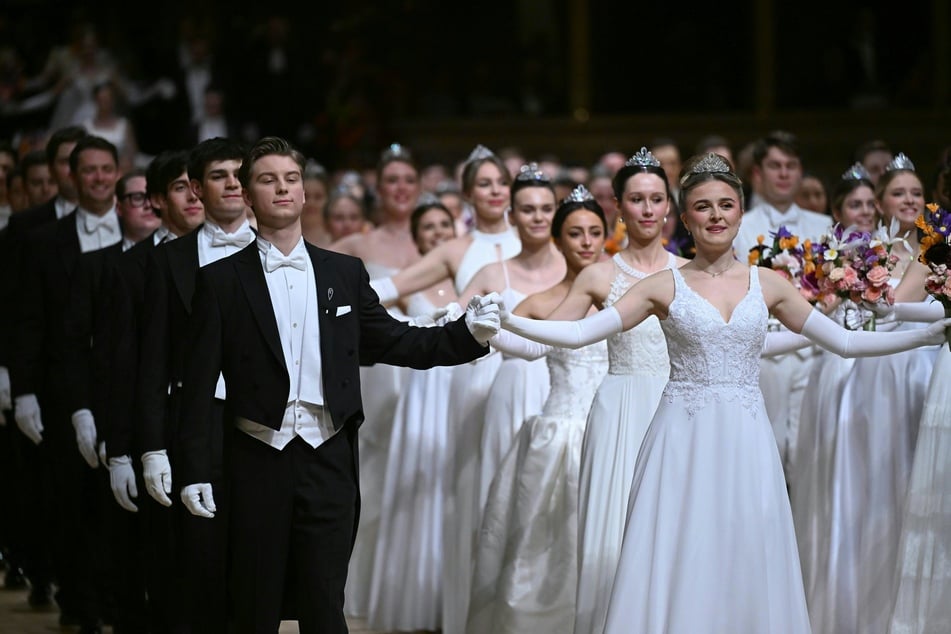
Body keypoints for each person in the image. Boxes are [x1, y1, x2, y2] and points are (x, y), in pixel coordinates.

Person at [496, 152, 950, 633]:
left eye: (727, 205)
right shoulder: (661, 286)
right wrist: (503, 319)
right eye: (703, 206)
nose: (716, 215)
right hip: (681, 437)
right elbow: (579, 334)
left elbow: (844, 341)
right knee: (680, 546)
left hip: (747, 436)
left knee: (746, 542)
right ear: (685, 217)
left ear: (739, 211)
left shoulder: (769, 283)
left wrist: (929, 334)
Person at [175, 136, 501, 634]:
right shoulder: (220, 280)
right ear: (246, 194)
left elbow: (395, 342)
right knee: (252, 603)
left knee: (326, 602)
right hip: (255, 458)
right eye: (267, 179)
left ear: (305, 193)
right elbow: (197, 386)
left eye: (291, 179)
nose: (282, 188)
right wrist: (194, 469)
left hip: (329, 457)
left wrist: (467, 335)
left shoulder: (343, 273)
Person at [467, 186, 609, 634]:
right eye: (575, 233)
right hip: (559, 433)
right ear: (558, 239)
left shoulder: (629, 298)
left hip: (613, 428)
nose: (586, 242)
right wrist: (483, 328)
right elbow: (520, 346)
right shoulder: (545, 302)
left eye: (594, 232)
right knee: (546, 548)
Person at [816, 152, 939, 633]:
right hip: (881, 370)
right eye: (898, 193)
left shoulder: (937, 248)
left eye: (915, 192)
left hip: (927, 371)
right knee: (883, 481)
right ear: (882, 202)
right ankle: (870, 599)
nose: (908, 201)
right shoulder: (873, 254)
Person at [136, 136, 254, 632]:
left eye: (238, 174)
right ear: (197, 189)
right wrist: (149, 448)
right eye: (218, 175)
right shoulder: (168, 260)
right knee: (197, 559)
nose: (231, 183)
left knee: (255, 561)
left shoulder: (281, 251)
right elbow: (152, 359)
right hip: (195, 423)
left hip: (266, 422)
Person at [12, 135, 122, 633]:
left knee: (113, 502)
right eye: (89, 171)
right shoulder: (43, 241)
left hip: (119, 385)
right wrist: (24, 389)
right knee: (70, 501)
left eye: (107, 170)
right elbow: (29, 320)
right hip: (61, 387)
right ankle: (79, 606)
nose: (99, 178)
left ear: (117, 174)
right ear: (72, 178)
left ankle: (113, 602)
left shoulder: (137, 228)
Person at [787, 163, 879, 629]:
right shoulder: (821, 256)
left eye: (869, 203)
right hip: (832, 374)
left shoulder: (898, 254)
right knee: (831, 482)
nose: (863, 211)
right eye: (853, 205)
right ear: (837, 213)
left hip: (882, 378)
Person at [367, 197, 459, 632]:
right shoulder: (407, 284)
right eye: (429, 227)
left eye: (445, 224)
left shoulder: (472, 279)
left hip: (465, 391)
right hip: (425, 393)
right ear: (417, 236)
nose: (438, 232)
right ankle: (418, 597)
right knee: (424, 486)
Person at [460, 164, 566, 516]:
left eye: (546, 208)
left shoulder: (576, 269)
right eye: (528, 209)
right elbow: (458, 323)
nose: (538, 217)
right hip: (512, 383)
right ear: (512, 215)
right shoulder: (492, 272)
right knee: (504, 494)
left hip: (565, 386)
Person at [732, 130, 832, 480]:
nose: (785, 174)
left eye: (791, 166)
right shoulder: (740, 228)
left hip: (816, 352)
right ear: (758, 174)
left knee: (812, 456)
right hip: (766, 352)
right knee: (766, 453)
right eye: (775, 166)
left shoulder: (824, 227)